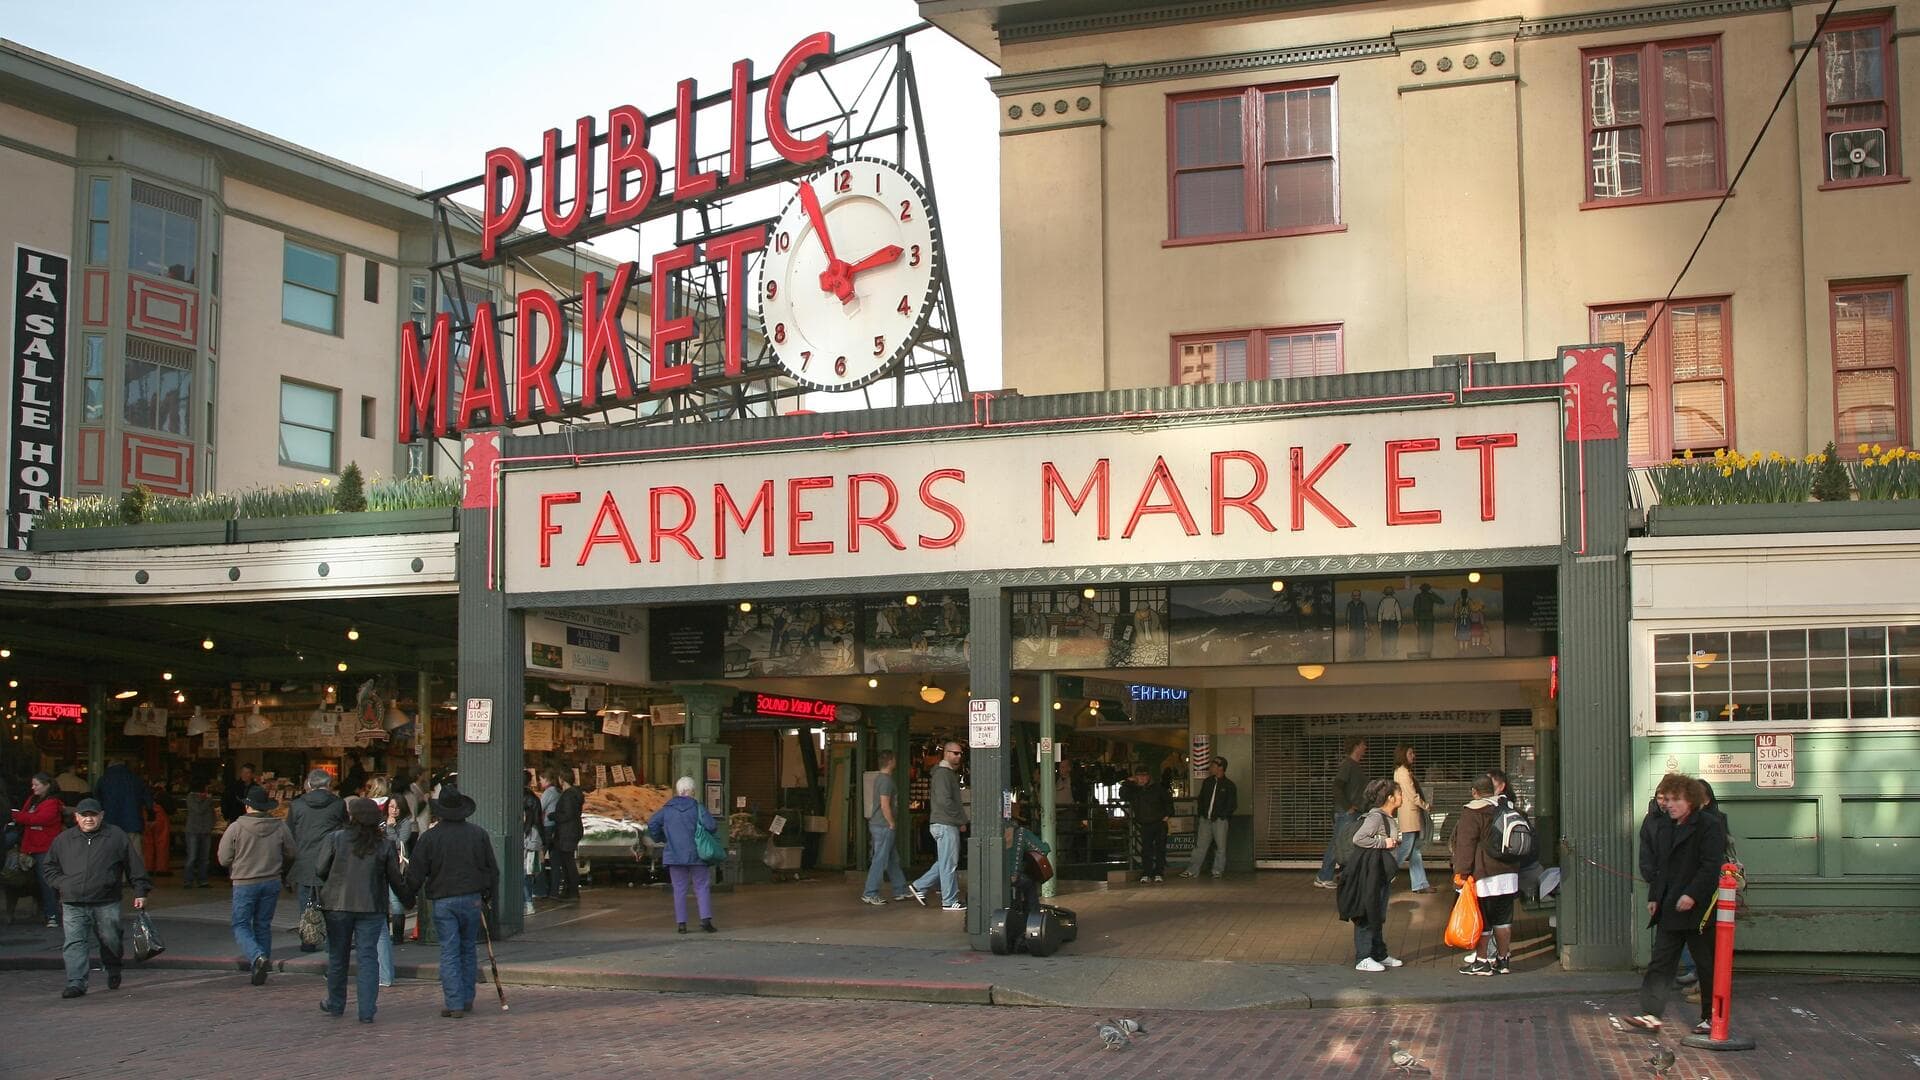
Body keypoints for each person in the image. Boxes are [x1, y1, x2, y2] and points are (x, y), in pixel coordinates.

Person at [1625, 775, 1726, 1033]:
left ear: (1690, 800)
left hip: (1699, 908)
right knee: (1661, 962)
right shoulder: (1666, 826)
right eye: (1666, 800)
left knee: (1705, 963)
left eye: (1675, 800)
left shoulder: (1709, 825)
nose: (1669, 805)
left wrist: (1692, 894)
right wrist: (1655, 897)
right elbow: (1663, 866)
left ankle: (1711, 1016)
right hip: (1671, 905)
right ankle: (1650, 1014)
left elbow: (1710, 866)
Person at [315, 796, 413, 1023]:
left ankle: (336, 1003)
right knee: (368, 957)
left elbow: (320, 869)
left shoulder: (336, 839)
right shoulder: (384, 844)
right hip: (371, 906)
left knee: (338, 956)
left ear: (352, 816)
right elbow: (395, 879)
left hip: (337, 905)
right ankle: (366, 1010)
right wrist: (408, 899)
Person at [404, 784, 496, 1019]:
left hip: (444, 899)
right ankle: (466, 998)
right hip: (472, 897)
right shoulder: (478, 834)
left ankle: (454, 1001)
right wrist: (488, 894)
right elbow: (491, 869)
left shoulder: (431, 837)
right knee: (467, 949)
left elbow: (416, 871)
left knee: (450, 951)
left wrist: (407, 896)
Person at [43, 797, 151, 998]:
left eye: (93, 815)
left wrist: (140, 891)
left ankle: (113, 968)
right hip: (72, 901)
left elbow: (133, 864)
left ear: (101, 816)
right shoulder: (63, 840)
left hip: (106, 900)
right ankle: (76, 982)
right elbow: (49, 867)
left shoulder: (116, 836)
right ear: (76, 817)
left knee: (110, 939)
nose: (89, 819)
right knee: (75, 942)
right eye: (84, 816)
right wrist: (62, 884)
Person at [219, 784, 296, 985]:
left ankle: (257, 956)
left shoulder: (235, 827)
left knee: (241, 924)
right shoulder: (279, 826)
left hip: (244, 882)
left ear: (247, 807)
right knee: (263, 924)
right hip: (271, 880)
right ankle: (260, 967)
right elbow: (292, 852)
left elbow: (223, 858)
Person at [1451, 772, 1520, 976]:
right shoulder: (1507, 807)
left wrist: (1461, 873)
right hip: (1509, 874)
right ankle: (1503, 960)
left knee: (1484, 921)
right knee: (1504, 919)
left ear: (1474, 792)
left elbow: (1465, 846)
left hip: (1485, 874)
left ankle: (1481, 962)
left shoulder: (1473, 812)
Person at [1338, 778, 1405, 972]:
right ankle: (1363, 957)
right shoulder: (1377, 817)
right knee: (1367, 914)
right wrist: (1384, 843)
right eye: (1399, 794)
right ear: (1390, 798)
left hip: (1381, 874)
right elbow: (1359, 838)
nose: (1402, 797)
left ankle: (1378, 953)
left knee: (1377, 914)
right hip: (1371, 873)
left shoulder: (1386, 817)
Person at [648, 777, 721, 932]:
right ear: (693, 791)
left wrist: (661, 837)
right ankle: (705, 920)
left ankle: (681, 924)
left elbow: (652, 823)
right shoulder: (698, 808)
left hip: (674, 855)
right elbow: (712, 826)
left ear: (678, 791)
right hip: (697, 855)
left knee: (679, 889)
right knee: (701, 886)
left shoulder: (667, 809)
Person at [288, 769, 347, 952]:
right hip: (330, 860)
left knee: (306, 904)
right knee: (331, 905)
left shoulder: (296, 805)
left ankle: (308, 940)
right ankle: (332, 942)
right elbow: (345, 830)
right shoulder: (338, 804)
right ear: (328, 785)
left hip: (304, 860)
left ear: (309, 785)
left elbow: (289, 833)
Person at [907, 741, 968, 910]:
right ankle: (949, 900)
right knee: (949, 863)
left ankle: (920, 886)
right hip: (945, 823)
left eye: (960, 753)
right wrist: (960, 820)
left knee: (945, 861)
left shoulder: (944, 774)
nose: (958, 756)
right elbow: (945, 801)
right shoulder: (943, 774)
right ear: (946, 753)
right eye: (955, 753)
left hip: (943, 823)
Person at [12, 772, 65, 927]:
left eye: (36, 784)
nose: (32, 787)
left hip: (45, 846)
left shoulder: (53, 802)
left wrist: (16, 816)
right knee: (34, 881)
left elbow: (40, 819)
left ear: (47, 785)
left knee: (46, 882)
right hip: (30, 844)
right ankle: (48, 913)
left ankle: (52, 915)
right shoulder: (32, 799)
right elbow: (30, 818)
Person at [1315, 739, 1369, 888]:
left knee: (1347, 844)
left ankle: (1344, 874)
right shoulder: (1348, 765)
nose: (1365, 747)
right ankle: (1323, 876)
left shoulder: (1356, 766)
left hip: (1355, 812)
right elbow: (1337, 787)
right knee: (1337, 844)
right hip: (1346, 813)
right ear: (1356, 746)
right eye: (1363, 744)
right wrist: (1347, 807)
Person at [376, 792, 415, 987]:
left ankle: (398, 934)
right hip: (384, 864)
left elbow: (400, 840)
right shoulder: (382, 822)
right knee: (386, 898)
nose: (394, 810)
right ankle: (389, 930)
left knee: (395, 899)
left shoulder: (406, 822)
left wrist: (391, 829)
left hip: (398, 865)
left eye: (397, 807)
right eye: (391, 806)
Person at [861, 750, 908, 905]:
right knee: (880, 860)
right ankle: (870, 892)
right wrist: (891, 822)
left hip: (878, 824)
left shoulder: (880, 779)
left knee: (892, 858)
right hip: (883, 824)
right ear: (891, 761)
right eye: (894, 759)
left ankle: (900, 889)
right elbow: (884, 804)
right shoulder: (886, 781)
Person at [1180, 756, 1236, 879]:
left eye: (1213, 766)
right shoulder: (1208, 782)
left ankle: (1217, 870)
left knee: (1221, 847)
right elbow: (1201, 799)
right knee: (1200, 846)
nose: (1211, 768)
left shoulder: (1229, 785)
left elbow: (1232, 804)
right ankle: (1193, 870)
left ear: (1221, 768)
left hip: (1220, 821)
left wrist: (1222, 816)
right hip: (1206, 819)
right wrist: (1202, 813)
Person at [1391, 745, 1433, 893]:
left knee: (1414, 851)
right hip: (1410, 815)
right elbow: (1412, 795)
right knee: (1406, 849)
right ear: (1403, 755)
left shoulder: (1401, 772)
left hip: (1408, 814)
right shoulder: (1403, 773)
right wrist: (1426, 805)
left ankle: (1420, 884)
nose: (1413, 755)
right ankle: (1384, 873)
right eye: (1410, 753)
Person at [1124, 765, 1173, 883]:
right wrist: (1128, 783)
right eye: (1139, 776)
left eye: (1144, 776)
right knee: (1146, 849)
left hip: (1159, 822)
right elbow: (1123, 794)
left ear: (1148, 777)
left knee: (1160, 849)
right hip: (1145, 823)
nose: (1142, 779)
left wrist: (1167, 816)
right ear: (1136, 777)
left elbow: (1168, 802)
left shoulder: (1158, 788)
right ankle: (1147, 873)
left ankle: (1158, 872)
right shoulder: (1134, 790)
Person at [94, 759, 150, 846]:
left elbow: (97, 803)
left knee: (110, 854)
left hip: (109, 822)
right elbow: (147, 800)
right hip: (133, 822)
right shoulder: (136, 779)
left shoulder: (103, 780)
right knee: (133, 854)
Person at [549, 772, 585, 901]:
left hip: (567, 832)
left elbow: (567, 815)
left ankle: (573, 892)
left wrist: (553, 816)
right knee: (567, 861)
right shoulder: (575, 794)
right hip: (572, 830)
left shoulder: (568, 795)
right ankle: (570, 890)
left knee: (568, 862)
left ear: (562, 779)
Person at [181, 780, 217, 888]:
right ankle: (188, 880)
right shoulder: (191, 797)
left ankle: (203, 880)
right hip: (193, 831)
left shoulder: (207, 799)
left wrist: (211, 824)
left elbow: (212, 813)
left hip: (206, 831)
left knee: (205, 858)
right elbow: (198, 810)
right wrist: (208, 800)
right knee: (192, 857)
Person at [520, 772, 546, 915]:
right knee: (527, 871)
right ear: (530, 782)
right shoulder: (534, 799)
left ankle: (522, 902)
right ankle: (528, 903)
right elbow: (538, 821)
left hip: (517, 837)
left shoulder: (510, 796)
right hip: (530, 839)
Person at [539, 770, 563, 896]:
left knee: (540, 858)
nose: (539, 782)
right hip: (556, 828)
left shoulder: (549, 792)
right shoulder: (559, 792)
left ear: (546, 780)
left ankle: (541, 889)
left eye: (541, 780)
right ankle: (554, 890)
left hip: (547, 827)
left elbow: (540, 807)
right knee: (555, 861)